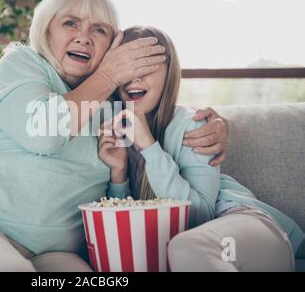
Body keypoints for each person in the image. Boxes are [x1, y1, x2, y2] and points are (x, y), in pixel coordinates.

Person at [0, 0, 228, 272]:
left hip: (52, 255)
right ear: (46, 31)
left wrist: (215, 124)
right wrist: (108, 75)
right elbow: (46, 133)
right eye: (71, 23)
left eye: (99, 30)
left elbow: (161, 113)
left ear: (111, 48)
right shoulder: (22, 65)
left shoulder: (113, 105)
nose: (83, 37)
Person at [98, 26, 304, 272]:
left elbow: (199, 215)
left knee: (186, 247)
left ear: (169, 73)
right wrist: (119, 174)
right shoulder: (118, 131)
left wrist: (149, 147)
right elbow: (122, 229)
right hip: (199, 256)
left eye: (147, 67)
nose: (135, 78)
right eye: (127, 68)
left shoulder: (192, 123)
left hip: (242, 225)